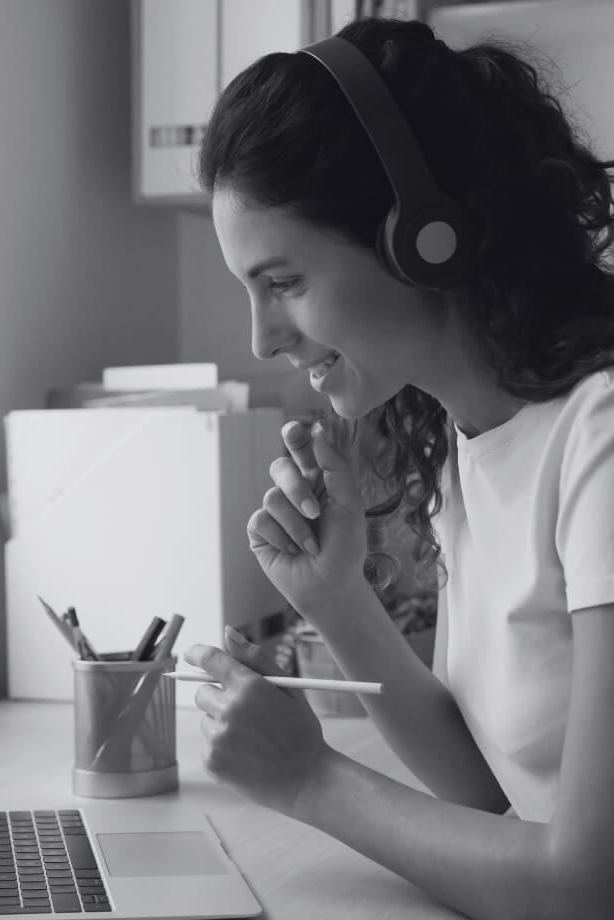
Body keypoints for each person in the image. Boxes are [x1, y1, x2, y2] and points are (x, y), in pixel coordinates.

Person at [181, 16, 614, 920]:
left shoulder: (600, 438)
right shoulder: (473, 434)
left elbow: (586, 884)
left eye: (284, 283)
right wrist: (335, 601)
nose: (261, 339)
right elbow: (488, 795)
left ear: (422, 236)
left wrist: (310, 781)